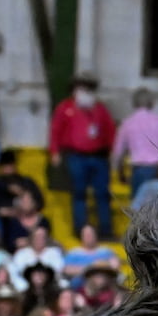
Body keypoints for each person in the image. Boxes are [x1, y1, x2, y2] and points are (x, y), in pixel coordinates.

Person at [48, 71, 116, 239]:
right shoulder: (65, 108)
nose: (85, 91)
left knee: (102, 194)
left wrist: (113, 153)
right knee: (79, 193)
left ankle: (105, 230)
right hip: (76, 156)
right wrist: (55, 152)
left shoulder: (100, 109)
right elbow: (55, 131)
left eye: (88, 87)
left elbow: (110, 131)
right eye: (81, 87)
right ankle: (80, 229)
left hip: (99, 157)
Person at [111, 86, 158, 198]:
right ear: (152, 103)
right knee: (157, 208)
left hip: (138, 169)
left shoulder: (128, 123)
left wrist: (119, 172)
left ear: (134, 103)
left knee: (138, 208)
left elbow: (118, 152)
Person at [61, 223, 121, 291]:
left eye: (90, 234)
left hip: (105, 289)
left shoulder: (106, 251)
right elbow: (66, 270)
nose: (88, 237)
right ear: (81, 236)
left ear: (96, 235)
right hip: (78, 290)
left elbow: (115, 266)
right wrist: (92, 268)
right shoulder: (73, 253)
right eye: (86, 235)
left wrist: (85, 269)